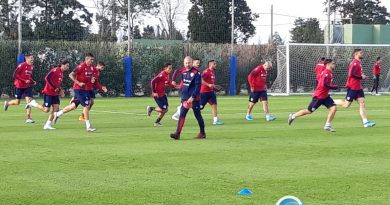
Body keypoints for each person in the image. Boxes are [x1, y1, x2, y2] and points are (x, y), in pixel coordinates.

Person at [288, 59, 338, 132]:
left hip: (325, 96)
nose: (334, 64)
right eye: (333, 63)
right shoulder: (326, 73)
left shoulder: (328, 72)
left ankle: (327, 125)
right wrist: (333, 87)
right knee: (309, 111)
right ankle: (293, 115)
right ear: (328, 64)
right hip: (319, 96)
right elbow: (324, 84)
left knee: (334, 108)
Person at [53, 53, 98, 132]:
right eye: (91, 59)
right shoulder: (81, 66)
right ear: (86, 59)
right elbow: (71, 75)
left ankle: (57, 114)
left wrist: (92, 79)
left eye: (93, 59)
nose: (92, 61)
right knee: (87, 105)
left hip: (86, 89)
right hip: (79, 89)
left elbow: (92, 76)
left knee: (73, 106)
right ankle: (88, 126)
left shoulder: (92, 67)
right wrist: (78, 82)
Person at [334, 48, 376, 128]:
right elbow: (351, 74)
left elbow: (356, 74)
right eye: (360, 53)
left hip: (358, 87)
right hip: (353, 87)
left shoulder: (358, 63)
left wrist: (362, 76)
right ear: (356, 54)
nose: (362, 54)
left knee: (362, 103)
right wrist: (361, 77)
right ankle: (331, 101)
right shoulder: (354, 63)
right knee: (346, 105)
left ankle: (365, 122)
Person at [25, 60, 70, 130]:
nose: (67, 67)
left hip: (55, 94)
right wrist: (54, 88)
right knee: (46, 110)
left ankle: (47, 125)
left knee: (56, 109)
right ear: (62, 65)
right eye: (66, 65)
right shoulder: (55, 70)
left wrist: (60, 90)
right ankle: (33, 103)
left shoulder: (61, 73)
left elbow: (57, 83)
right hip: (48, 92)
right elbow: (47, 78)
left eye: (68, 66)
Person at [170, 56, 206, 140]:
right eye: (186, 63)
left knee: (198, 115)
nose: (187, 65)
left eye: (189, 63)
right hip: (185, 98)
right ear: (184, 63)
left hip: (194, 99)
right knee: (182, 115)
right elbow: (176, 71)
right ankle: (177, 134)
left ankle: (202, 133)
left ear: (192, 63)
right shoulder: (183, 71)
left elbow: (198, 87)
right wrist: (173, 80)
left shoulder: (196, 73)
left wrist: (193, 97)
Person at [4, 54, 36, 123]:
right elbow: (14, 75)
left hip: (27, 86)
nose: (32, 60)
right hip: (19, 86)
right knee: (17, 102)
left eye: (33, 58)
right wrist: (24, 81)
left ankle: (28, 118)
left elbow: (28, 76)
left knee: (29, 102)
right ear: (27, 59)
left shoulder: (31, 66)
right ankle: (7, 103)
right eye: (31, 58)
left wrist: (32, 81)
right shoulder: (22, 65)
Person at [200, 59, 224, 125]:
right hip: (204, 92)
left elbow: (210, 83)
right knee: (200, 107)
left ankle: (215, 121)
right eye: (214, 64)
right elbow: (200, 80)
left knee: (214, 105)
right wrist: (208, 85)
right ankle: (183, 109)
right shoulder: (206, 71)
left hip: (210, 92)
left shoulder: (212, 72)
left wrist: (215, 86)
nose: (216, 65)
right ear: (210, 65)